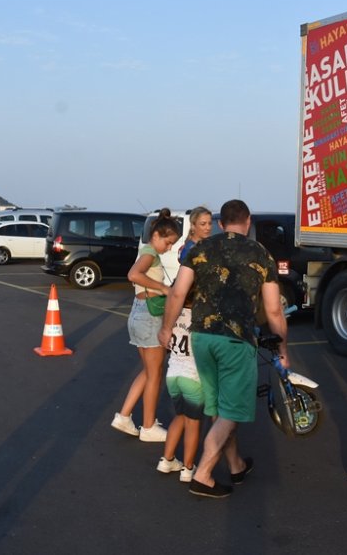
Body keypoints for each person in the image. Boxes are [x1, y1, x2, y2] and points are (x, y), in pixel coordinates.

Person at [158, 200, 288, 499]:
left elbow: (178, 292)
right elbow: (273, 310)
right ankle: (203, 475)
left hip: (201, 338)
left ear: (219, 223)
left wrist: (166, 328)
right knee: (232, 412)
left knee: (217, 408)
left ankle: (235, 465)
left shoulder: (200, 250)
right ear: (248, 221)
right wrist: (282, 348)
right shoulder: (261, 253)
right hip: (236, 340)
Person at [111, 209, 181, 442]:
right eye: (168, 243)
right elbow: (134, 274)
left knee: (149, 371)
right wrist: (162, 288)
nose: (169, 248)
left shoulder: (148, 251)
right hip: (149, 317)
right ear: (158, 235)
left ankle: (124, 416)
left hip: (139, 313)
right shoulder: (150, 252)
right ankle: (149, 426)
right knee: (155, 374)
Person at [157, 208, 213, 482]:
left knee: (178, 418)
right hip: (191, 378)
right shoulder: (200, 320)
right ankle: (188, 468)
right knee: (194, 425)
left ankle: (166, 460)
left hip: (173, 376)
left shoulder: (176, 315)